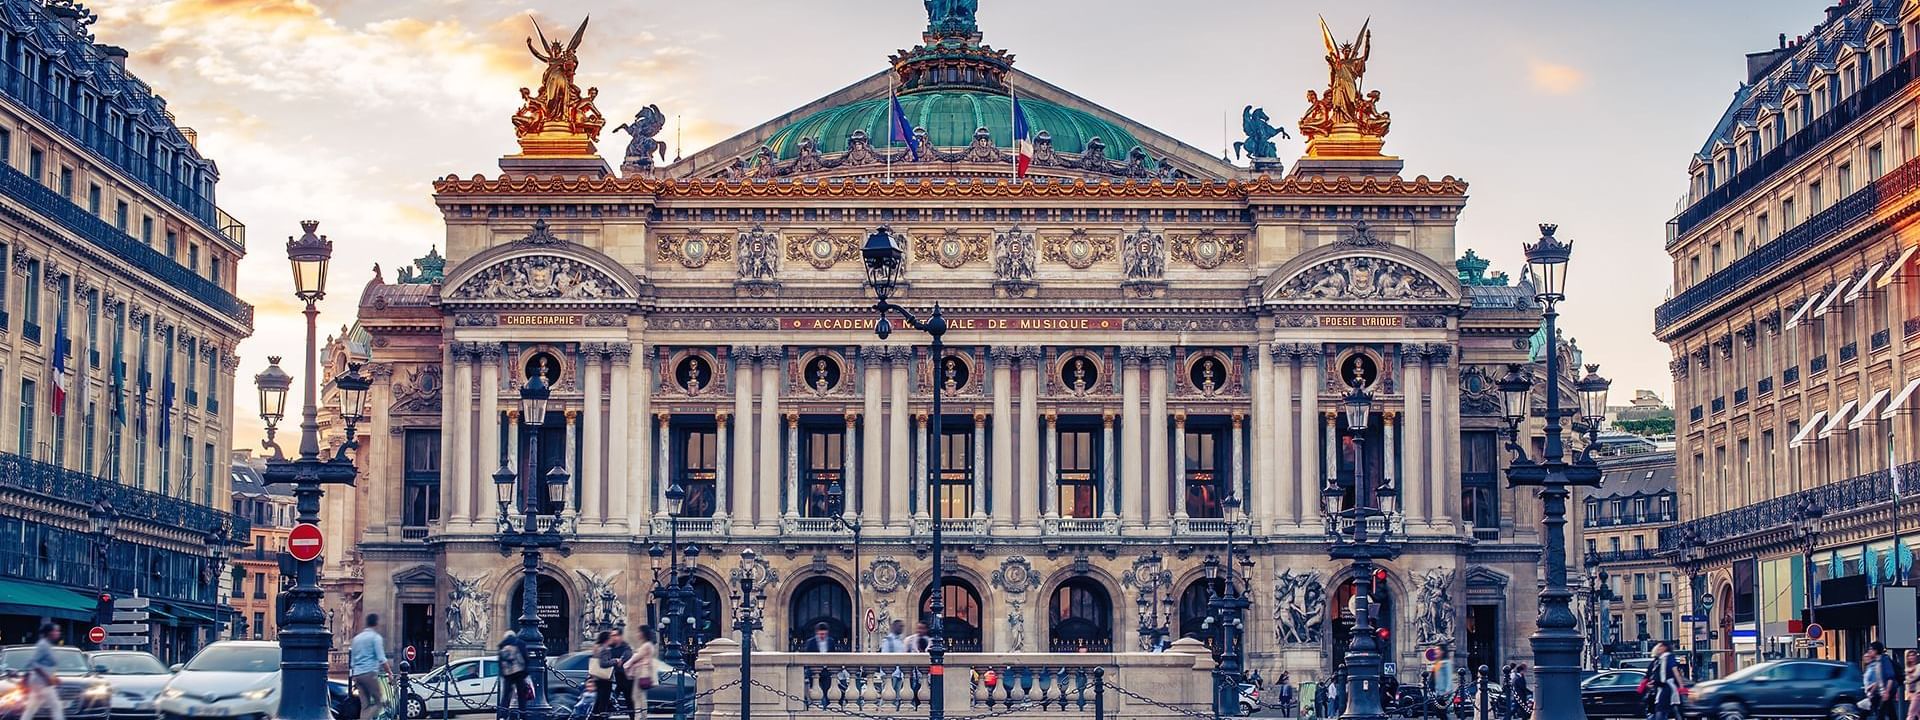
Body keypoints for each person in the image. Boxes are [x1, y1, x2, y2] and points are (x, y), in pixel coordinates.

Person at [348, 613, 390, 720]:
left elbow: (352, 661)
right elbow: (381, 658)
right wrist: (389, 673)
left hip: (357, 674)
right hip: (369, 673)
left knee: (365, 706)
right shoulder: (376, 638)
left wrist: (353, 675)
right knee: (380, 702)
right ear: (376, 623)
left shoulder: (356, 639)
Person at [21, 623, 63, 720]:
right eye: (56, 630)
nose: (58, 633)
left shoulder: (47, 644)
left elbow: (46, 665)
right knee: (56, 706)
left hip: (40, 681)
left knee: (31, 708)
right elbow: (33, 662)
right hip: (41, 682)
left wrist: (53, 677)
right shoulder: (43, 645)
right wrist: (47, 677)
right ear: (49, 632)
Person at [1648, 641, 1687, 720]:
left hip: (1667, 686)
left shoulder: (1668, 657)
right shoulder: (1658, 660)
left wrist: (1681, 687)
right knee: (1673, 708)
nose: (1658, 648)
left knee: (1662, 709)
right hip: (1661, 687)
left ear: (1665, 648)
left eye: (1660, 646)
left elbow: (1675, 671)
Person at [624, 626, 659, 710]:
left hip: (641, 672)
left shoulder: (646, 645)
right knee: (640, 696)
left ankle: (639, 715)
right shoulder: (648, 645)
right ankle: (642, 714)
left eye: (639, 632)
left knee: (637, 696)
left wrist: (626, 665)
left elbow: (636, 658)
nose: (637, 634)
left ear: (643, 634)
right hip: (643, 671)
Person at [497, 631, 530, 714]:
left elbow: (500, 662)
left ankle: (503, 715)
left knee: (506, 696)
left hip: (507, 674)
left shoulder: (502, 645)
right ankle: (522, 715)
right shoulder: (520, 643)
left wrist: (502, 674)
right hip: (519, 672)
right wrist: (526, 672)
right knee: (521, 695)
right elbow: (525, 657)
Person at [1866, 642, 1899, 720]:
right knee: (1891, 713)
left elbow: (1890, 677)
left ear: (1876, 651)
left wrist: (1887, 692)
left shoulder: (1884, 660)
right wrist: (1871, 692)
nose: (1869, 651)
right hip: (1883, 692)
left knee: (1881, 713)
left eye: (1871, 649)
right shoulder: (1877, 662)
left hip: (1888, 691)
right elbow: (1879, 680)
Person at [606, 630, 634, 718]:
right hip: (615, 677)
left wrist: (618, 661)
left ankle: (632, 717)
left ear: (620, 636)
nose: (613, 637)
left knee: (629, 700)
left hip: (626, 678)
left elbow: (624, 660)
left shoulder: (626, 648)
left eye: (615, 635)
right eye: (612, 635)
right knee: (609, 698)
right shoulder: (610, 648)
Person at [1902, 648, 1919, 720]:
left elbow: (1915, 676)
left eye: (1913, 655)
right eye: (1909, 655)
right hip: (1910, 693)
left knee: (1911, 714)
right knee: (1918, 713)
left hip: (1918, 693)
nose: (1911, 657)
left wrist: (1906, 681)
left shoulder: (1919, 666)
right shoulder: (1907, 668)